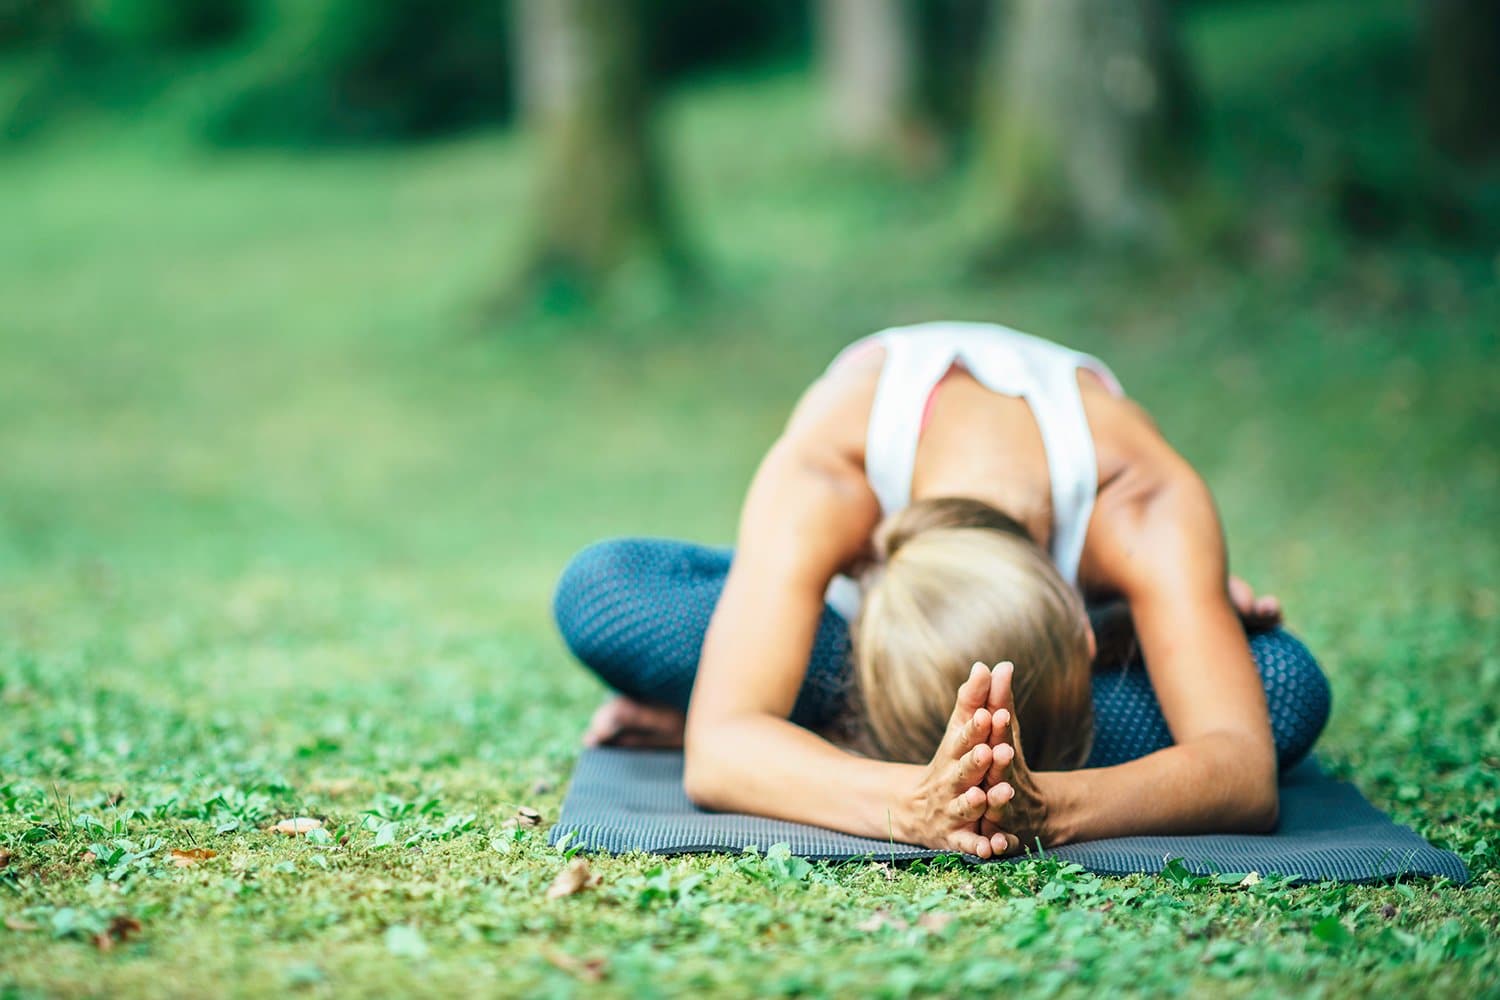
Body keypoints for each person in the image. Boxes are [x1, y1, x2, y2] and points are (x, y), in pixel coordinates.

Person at [553, 321, 1331, 858]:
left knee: (1283, 685)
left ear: (1087, 635)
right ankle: (794, 676)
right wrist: (914, 805)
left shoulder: (1142, 500)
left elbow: (1242, 771)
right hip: (848, 632)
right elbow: (717, 756)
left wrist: (1046, 808)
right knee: (606, 589)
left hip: (1040, 647)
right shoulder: (830, 471)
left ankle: (799, 719)